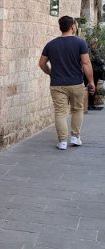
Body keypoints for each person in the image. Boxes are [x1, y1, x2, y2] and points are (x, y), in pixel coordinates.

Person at [39, 16, 95, 149]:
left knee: (60, 112)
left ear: (61, 27)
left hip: (57, 84)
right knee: (77, 109)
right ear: (73, 27)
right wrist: (91, 81)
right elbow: (86, 63)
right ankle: (75, 137)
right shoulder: (80, 43)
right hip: (76, 83)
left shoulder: (51, 45)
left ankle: (62, 142)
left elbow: (42, 64)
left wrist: (50, 73)